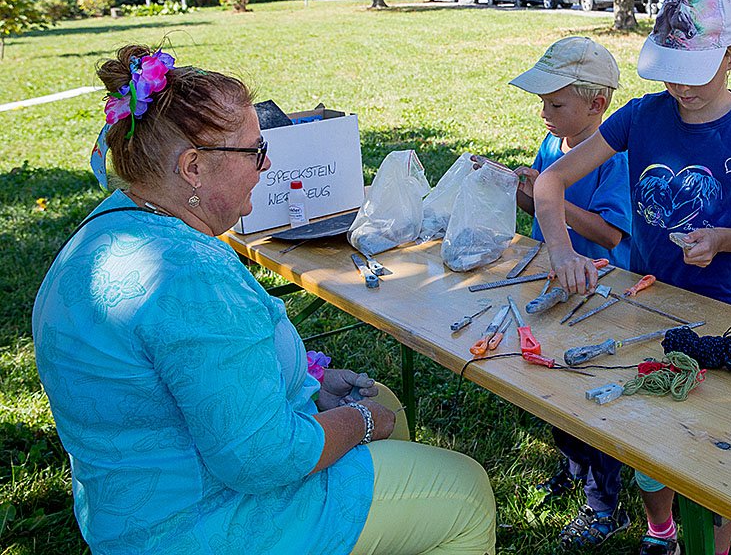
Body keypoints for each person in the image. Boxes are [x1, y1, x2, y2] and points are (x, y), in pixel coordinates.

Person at [33, 45, 496, 555]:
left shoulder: (108, 229)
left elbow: (189, 375)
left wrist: (308, 381)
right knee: (465, 492)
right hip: (205, 525)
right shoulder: (190, 275)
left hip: (132, 512)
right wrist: (362, 423)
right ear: (193, 167)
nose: (267, 163)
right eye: (255, 150)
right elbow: (260, 459)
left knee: (383, 400)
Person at [534, 0, 731, 555]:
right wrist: (561, 249)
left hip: (723, 309)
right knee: (650, 426)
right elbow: (550, 182)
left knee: (717, 437)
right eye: (670, 73)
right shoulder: (640, 117)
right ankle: (662, 531)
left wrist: (725, 240)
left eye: (693, 73)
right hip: (647, 302)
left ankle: (715, 545)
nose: (679, 88)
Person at [507, 36, 634, 547]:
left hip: (598, 294)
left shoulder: (614, 157)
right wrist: (526, 190)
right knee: (554, 391)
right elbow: (541, 212)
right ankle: (574, 467)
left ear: (597, 104)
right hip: (554, 283)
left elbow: (610, 233)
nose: (544, 113)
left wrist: (551, 191)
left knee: (588, 399)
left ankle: (604, 506)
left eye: (555, 104)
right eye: (543, 102)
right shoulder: (552, 145)